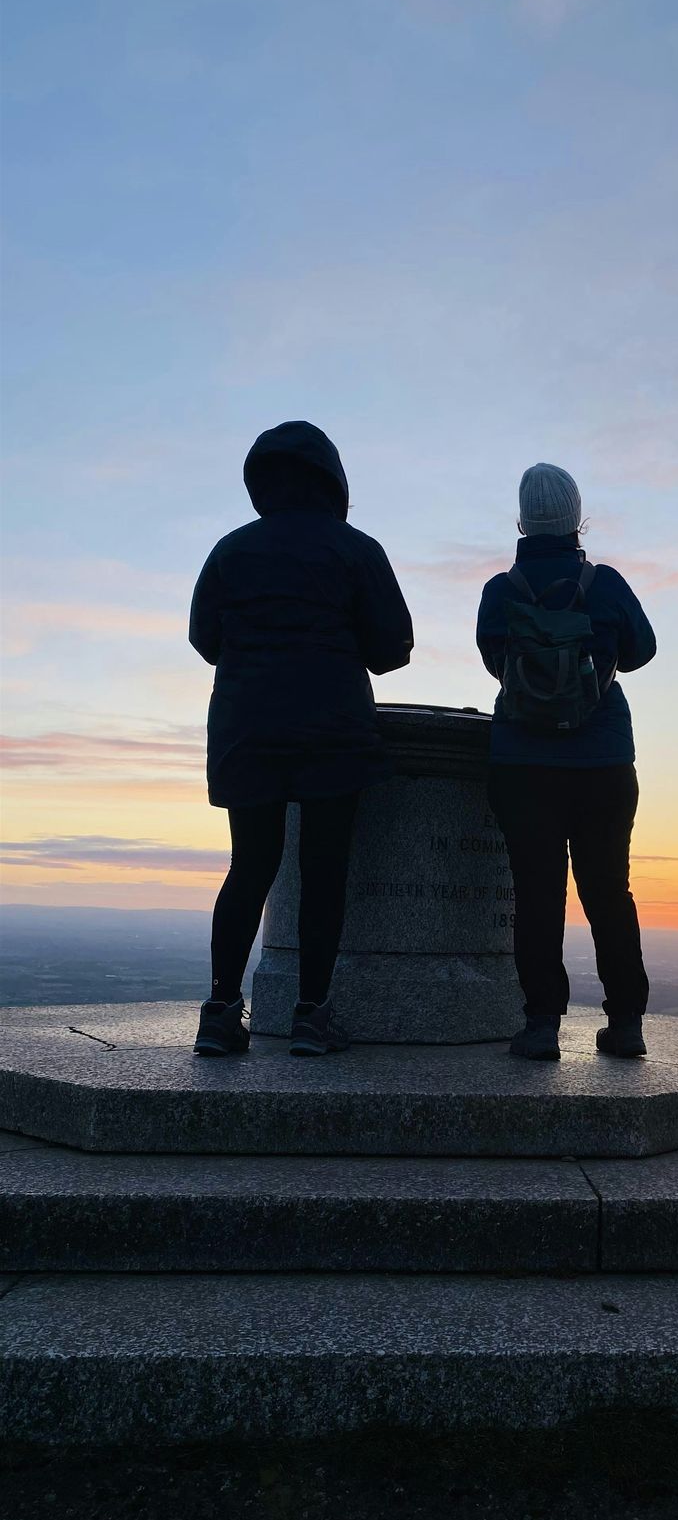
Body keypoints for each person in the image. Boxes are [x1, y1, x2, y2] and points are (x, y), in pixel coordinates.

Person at [189, 420, 412, 1058]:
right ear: (332, 482)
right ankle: (312, 1017)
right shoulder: (356, 549)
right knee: (323, 871)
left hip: (246, 728)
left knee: (249, 866)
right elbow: (392, 648)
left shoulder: (229, 551)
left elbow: (206, 641)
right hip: (332, 732)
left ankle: (220, 1010)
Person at [476, 462, 656, 1060]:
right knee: (609, 891)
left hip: (522, 762)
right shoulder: (605, 585)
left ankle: (541, 1025)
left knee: (536, 893)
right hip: (604, 759)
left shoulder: (501, 592)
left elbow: (494, 663)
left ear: (523, 519)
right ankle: (625, 1023)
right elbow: (643, 650)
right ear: (577, 518)